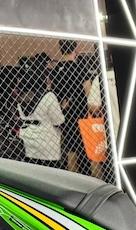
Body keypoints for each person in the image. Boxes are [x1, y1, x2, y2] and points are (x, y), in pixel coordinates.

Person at [17, 56, 64, 167]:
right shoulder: (49, 96)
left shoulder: (22, 96)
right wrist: (62, 108)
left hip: (27, 142)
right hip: (47, 145)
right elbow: (58, 120)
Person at [53, 40, 91, 173]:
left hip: (66, 113)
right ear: (74, 50)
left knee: (71, 148)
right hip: (81, 111)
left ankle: (73, 176)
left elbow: (55, 93)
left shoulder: (56, 70)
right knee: (87, 145)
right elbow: (88, 88)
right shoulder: (79, 68)